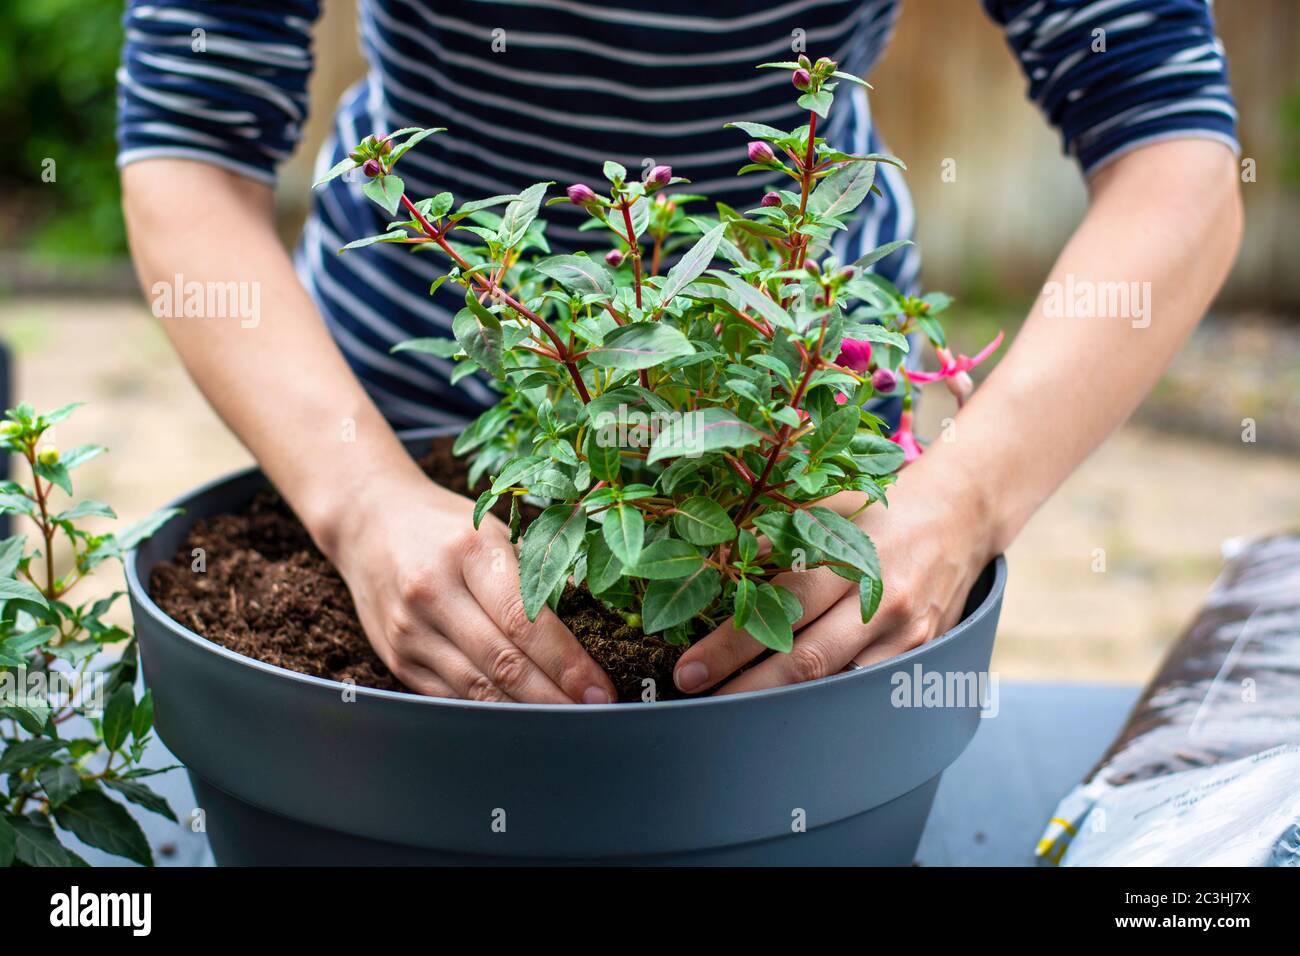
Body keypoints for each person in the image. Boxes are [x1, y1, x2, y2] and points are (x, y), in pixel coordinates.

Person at [117, 1, 1242, 703]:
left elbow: (1172, 152)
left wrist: (966, 497)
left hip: (794, 451)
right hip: (413, 450)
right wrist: (358, 499)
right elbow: (187, 139)